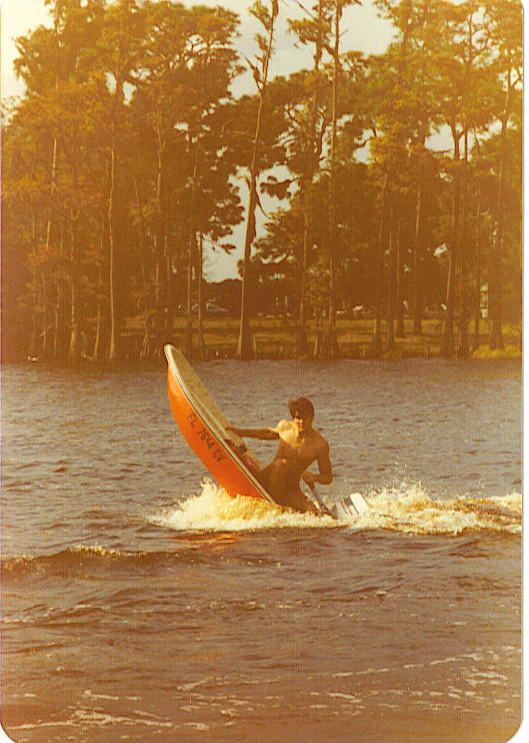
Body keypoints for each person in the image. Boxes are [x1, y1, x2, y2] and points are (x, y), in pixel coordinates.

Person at [226, 397, 333, 514]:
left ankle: (279, 506)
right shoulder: (285, 427)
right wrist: (241, 432)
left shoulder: (320, 445)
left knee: (313, 512)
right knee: (282, 464)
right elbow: (267, 433)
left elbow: (328, 477)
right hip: (268, 480)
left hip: (291, 489)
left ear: (312, 417)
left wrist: (314, 477)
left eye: (305, 418)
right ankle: (274, 504)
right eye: (298, 418)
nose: (301, 422)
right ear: (293, 417)